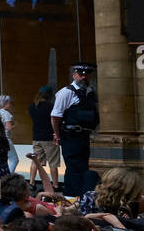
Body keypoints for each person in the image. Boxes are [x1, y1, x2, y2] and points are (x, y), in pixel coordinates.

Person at [51, 63, 99, 197]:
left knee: (81, 167)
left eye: (86, 74)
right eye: (81, 74)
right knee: (74, 168)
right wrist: (58, 134)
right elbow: (55, 116)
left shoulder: (89, 92)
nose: (83, 77)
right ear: (74, 75)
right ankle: (75, 197)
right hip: (71, 136)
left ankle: (76, 196)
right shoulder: (66, 92)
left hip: (84, 136)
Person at [28, 85, 59, 195]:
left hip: (36, 137)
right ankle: (55, 185)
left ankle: (31, 183)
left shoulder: (32, 106)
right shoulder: (51, 106)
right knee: (53, 162)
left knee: (35, 161)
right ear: (50, 95)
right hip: (49, 137)